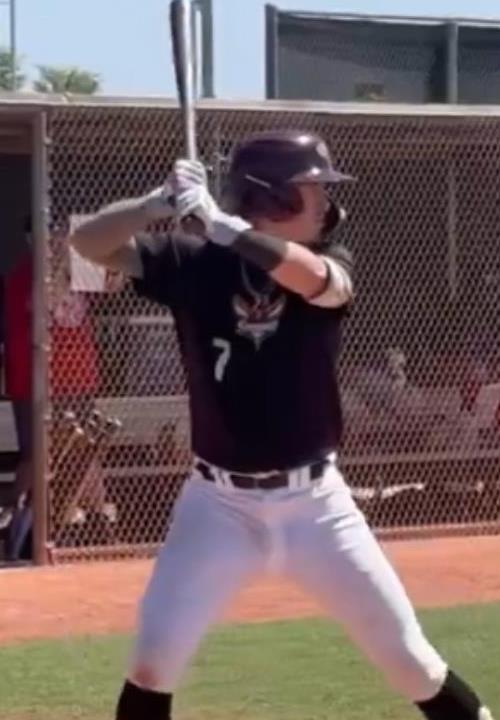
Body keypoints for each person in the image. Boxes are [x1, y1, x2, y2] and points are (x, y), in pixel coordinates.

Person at [68, 130, 494, 720]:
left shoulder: (329, 259)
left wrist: (225, 227)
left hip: (317, 507)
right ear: (274, 196)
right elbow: (86, 243)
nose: (326, 202)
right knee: (152, 665)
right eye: (313, 189)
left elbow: (321, 284)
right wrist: (155, 204)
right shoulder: (194, 262)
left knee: (411, 663)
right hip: (217, 506)